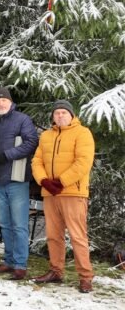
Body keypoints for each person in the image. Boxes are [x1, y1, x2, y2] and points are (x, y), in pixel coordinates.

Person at [31, 100, 95, 293]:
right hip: (50, 193)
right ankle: (56, 271)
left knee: (77, 236)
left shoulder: (82, 133)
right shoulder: (46, 136)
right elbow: (37, 160)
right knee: (53, 235)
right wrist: (44, 181)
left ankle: (85, 277)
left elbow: (83, 162)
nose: (60, 116)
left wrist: (61, 181)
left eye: (63, 113)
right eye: (57, 113)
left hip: (73, 192)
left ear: (71, 115)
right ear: (53, 116)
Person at [0, 87, 39, 280]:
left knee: (19, 224)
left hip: (16, 179)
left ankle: (20, 264)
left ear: (10, 102)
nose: (1, 104)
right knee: (5, 223)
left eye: (4, 101)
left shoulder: (22, 120)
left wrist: (8, 155)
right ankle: (8, 260)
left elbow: (32, 142)